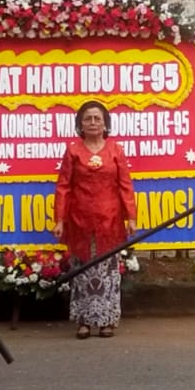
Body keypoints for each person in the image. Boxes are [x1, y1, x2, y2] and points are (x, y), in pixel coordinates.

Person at [54, 100, 136, 339]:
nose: (92, 123)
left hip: (109, 220)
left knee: (108, 272)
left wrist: (131, 217)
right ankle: (83, 322)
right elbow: (63, 187)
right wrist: (59, 219)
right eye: (87, 119)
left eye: (97, 118)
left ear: (105, 124)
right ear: (80, 124)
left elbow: (125, 186)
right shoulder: (73, 151)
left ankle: (107, 321)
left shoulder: (116, 150)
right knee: (82, 271)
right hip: (79, 220)